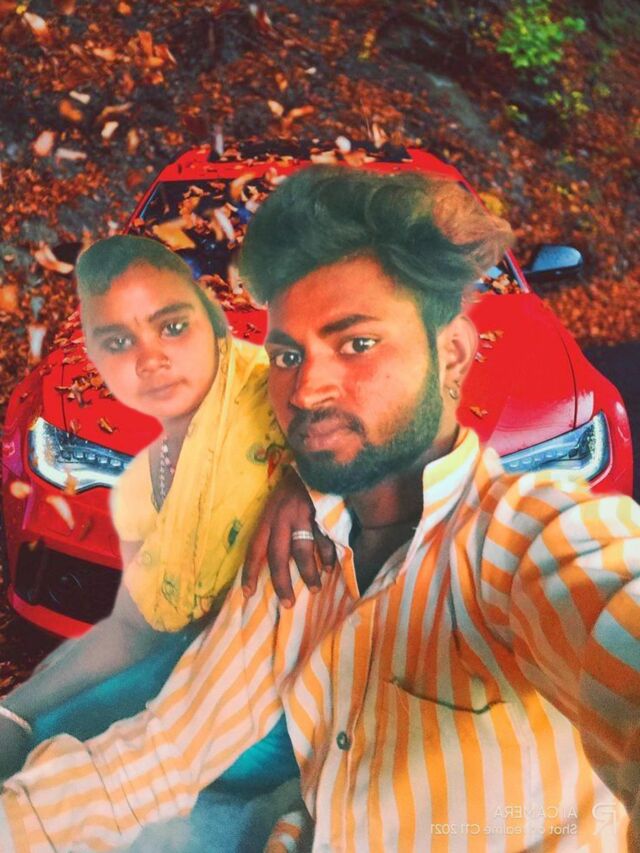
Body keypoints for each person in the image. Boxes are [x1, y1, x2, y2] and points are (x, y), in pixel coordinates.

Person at [1, 166, 639, 851]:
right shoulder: (293, 557)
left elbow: (601, 593)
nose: (306, 391)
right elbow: (162, 752)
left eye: (357, 343)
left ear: (453, 354)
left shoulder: (524, 538)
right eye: (288, 354)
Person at [0, 235, 331, 793]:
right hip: (199, 700)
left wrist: (305, 481)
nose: (150, 357)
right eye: (119, 340)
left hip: (310, 712)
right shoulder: (140, 484)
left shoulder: (285, 385)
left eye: (172, 326)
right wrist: (17, 713)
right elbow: (138, 627)